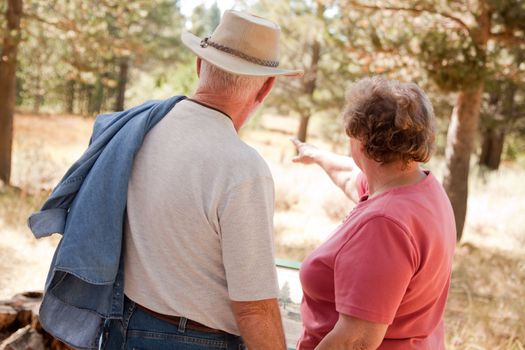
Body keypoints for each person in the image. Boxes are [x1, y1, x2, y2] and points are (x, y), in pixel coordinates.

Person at [28, 9, 302, 350]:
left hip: (119, 326)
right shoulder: (243, 167)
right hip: (196, 341)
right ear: (266, 88)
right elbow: (255, 309)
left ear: (200, 65)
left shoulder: (140, 129)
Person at [291, 77, 456, 349]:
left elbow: (355, 340)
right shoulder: (422, 189)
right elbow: (350, 175)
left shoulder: (384, 224)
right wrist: (317, 155)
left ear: (361, 142)